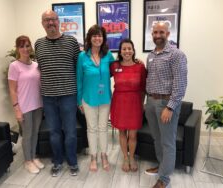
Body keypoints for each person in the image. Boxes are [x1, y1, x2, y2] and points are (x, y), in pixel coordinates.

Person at [34, 10, 80, 177]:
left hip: (68, 95)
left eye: (53, 19)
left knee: (70, 131)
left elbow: (78, 67)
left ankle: (72, 162)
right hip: (48, 97)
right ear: (42, 23)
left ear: (59, 21)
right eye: (46, 20)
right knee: (54, 132)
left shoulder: (71, 42)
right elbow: (41, 67)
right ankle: (58, 161)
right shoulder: (38, 44)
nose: (50, 23)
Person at [144, 22, 188, 188]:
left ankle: (164, 179)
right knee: (157, 138)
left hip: (166, 103)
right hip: (151, 101)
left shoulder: (176, 55)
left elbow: (180, 84)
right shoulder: (151, 55)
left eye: (161, 32)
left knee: (167, 142)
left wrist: (170, 107)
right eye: (155, 32)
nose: (157, 35)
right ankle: (162, 166)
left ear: (168, 34)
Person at [76, 24, 115, 172]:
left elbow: (118, 69)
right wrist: (79, 100)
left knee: (103, 128)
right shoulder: (82, 56)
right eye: (94, 35)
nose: (97, 38)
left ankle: (104, 155)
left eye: (100, 35)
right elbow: (78, 79)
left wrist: (136, 62)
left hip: (105, 98)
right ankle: (93, 157)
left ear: (103, 38)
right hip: (88, 99)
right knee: (91, 129)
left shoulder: (108, 55)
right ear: (89, 38)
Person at [8, 35, 44, 174]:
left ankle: (34, 156)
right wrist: (17, 109)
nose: (25, 49)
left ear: (31, 47)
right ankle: (27, 161)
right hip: (24, 106)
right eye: (22, 46)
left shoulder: (36, 65)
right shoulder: (14, 66)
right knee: (27, 134)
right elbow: (12, 89)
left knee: (35, 132)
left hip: (38, 105)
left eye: (27, 45)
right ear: (17, 49)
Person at [110, 39, 146, 172]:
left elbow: (143, 88)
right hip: (119, 102)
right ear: (120, 51)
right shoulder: (114, 66)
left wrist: (142, 104)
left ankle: (132, 158)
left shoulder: (140, 66)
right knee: (122, 132)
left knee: (133, 135)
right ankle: (125, 157)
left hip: (135, 103)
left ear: (133, 50)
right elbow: (100, 74)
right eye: (124, 49)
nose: (127, 51)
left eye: (129, 48)